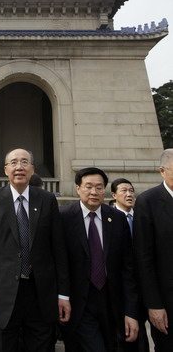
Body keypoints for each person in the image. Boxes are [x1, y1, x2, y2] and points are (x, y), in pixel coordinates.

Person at [0, 148, 71, 352]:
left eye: (24, 162)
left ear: (33, 169)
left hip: (40, 294)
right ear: (5, 169)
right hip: (4, 294)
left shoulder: (46, 199)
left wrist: (63, 295)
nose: (19, 167)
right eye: (14, 162)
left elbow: (58, 250)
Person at [60, 167, 139, 352]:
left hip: (111, 301)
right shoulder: (63, 217)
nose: (94, 192)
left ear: (105, 190)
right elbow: (59, 262)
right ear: (78, 188)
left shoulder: (117, 219)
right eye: (88, 186)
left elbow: (127, 268)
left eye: (99, 187)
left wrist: (131, 312)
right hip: (80, 301)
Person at [133, 148, 173, 351]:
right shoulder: (147, 201)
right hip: (166, 302)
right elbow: (144, 258)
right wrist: (154, 304)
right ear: (162, 171)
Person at [111, 178, 149, 352]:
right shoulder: (109, 219)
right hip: (121, 287)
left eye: (131, 190)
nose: (129, 194)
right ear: (113, 195)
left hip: (144, 285)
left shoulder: (143, 217)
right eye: (124, 190)